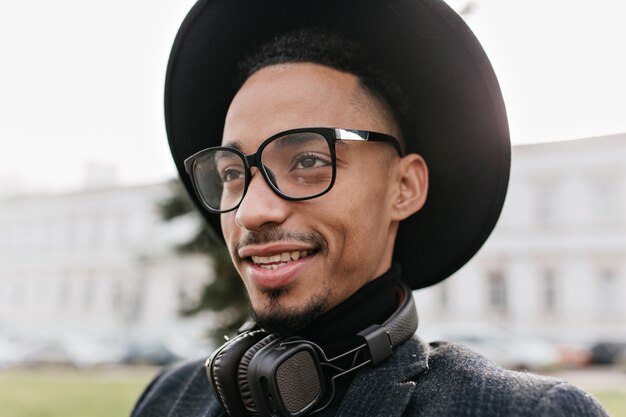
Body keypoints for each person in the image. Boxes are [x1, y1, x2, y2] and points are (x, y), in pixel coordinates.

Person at [131, 0, 609, 416]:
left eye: (307, 161)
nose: (251, 213)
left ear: (403, 187)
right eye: (234, 174)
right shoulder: (167, 399)